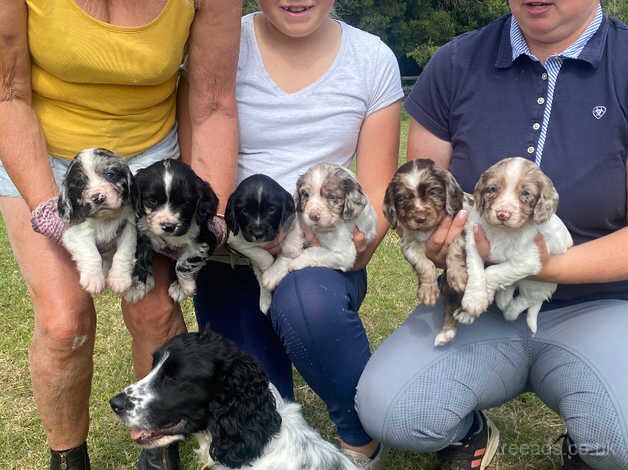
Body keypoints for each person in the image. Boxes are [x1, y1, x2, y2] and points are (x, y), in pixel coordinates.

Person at [355, 1, 628, 469]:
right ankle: (470, 432)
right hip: (473, 302)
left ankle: (591, 442)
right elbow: (432, 194)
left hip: (599, 302)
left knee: (619, 439)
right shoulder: (457, 61)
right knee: (392, 410)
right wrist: (441, 245)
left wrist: (532, 265)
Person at [0, 1, 241, 469]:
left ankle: (160, 450)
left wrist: (212, 211)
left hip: (149, 168)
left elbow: (212, 102)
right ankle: (68, 458)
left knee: (155, 311)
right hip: (48, 159)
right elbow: (6, 93)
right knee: (63, 321)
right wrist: (49, 208)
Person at [191, 1, 404, 468]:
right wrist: (232, 238)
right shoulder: (219, 41)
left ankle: (359, 442)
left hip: (321, 251)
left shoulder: (372, 58)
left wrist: (337, 251)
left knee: (307, 305)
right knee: (258, 415)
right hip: (233, 254)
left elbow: (377, 191)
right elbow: (199, 160)